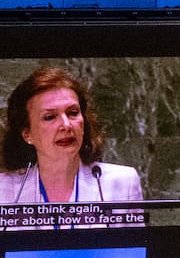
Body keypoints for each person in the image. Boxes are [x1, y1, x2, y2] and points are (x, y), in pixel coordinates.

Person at [0, 67, 143, 204]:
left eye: (73, 113)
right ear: (27, 134)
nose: (66, 125)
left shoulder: (123, 183)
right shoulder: (4, 189)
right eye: (50, 117)